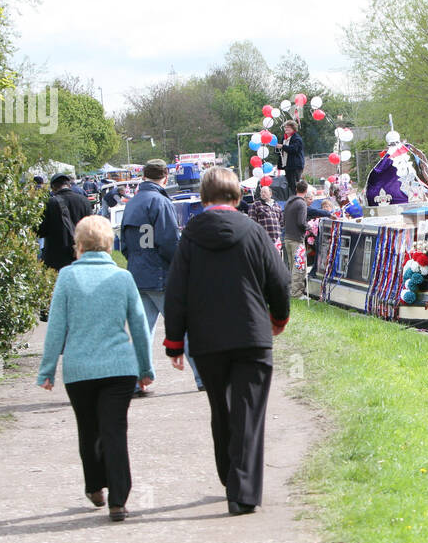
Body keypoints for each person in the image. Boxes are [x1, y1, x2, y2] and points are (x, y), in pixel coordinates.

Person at [163, 167, 290, 515]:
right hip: (252, 334)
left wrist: (175, 342)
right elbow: (279, 280)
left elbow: (176, 293)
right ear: (236, 197)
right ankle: (243, 489)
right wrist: (278, 318)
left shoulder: (189, 237)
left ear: (203, 199)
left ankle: (228, 474)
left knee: (221, 410)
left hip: (207, 340)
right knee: (248, 411)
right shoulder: (254, 231)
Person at [37, 215, 154, 522]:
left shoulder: (66, 277)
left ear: (79, 244)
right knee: (115, 431)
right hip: (119, 369)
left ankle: (94, 487)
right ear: (108, 243)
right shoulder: (122, 278)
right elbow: (139, 327)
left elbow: (56, 329)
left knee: (88, 430)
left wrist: (47, 370)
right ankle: (118, 500)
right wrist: (145, 368)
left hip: (79, 370)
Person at [120, 159, 202, 394]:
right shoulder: (161, 201)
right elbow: (168, 242)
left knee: (142, 330)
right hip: (161, 275)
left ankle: (137, 380)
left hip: (137, 273)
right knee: (183, 325)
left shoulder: (131, 202)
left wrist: (136, 262)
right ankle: (203, 376)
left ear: (144, 175)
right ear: (165, 176)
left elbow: (124, 243)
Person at [37, 173, 94, 271]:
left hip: (56, 258)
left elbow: (41, 231)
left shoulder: (50, 203)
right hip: (80, 255)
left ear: (53, 188)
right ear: (69, 185)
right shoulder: (84, 201)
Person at [281, 180, 309, 298]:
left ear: (296, 189)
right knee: (299, 267)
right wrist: (310, 227)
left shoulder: (288, 202)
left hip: (287, 237)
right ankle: (297, 293)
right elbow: (301, 222)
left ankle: (291, 290)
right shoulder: (302, 204)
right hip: (297, 239)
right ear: (306, 191)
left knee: (292, 266)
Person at [249, 183, 282, 249]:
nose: (263, 194)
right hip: (263, 240)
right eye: (261, 192)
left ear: (270, 194)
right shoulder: (256, 205)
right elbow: (252, 223)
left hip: (276, 240)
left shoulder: (277, 205)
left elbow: (281, 222)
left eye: (265, 192)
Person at [281, 121, 305, 197]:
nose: (286, 129)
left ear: (293, 128)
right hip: (287, 165)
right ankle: (294, 198)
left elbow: (294, 149)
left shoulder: (297, 138)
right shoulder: (284, 138)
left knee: (295, 184)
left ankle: (298, 198)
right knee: (290, 185)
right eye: (285, 127)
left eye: (288, 127)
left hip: (295, 165)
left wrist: (282, 147)